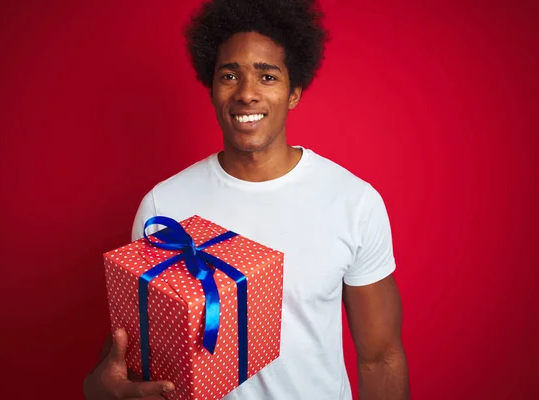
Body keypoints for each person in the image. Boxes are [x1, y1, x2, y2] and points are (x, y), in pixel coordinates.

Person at [83, 0, 410, 398]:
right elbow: (131, 359)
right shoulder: (162, 207)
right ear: (212, 88)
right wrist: (103, 388)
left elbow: (380, 356)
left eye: (267, 76)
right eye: (230, 75)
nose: (247, 94)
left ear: (294, 92)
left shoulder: (353, 202)